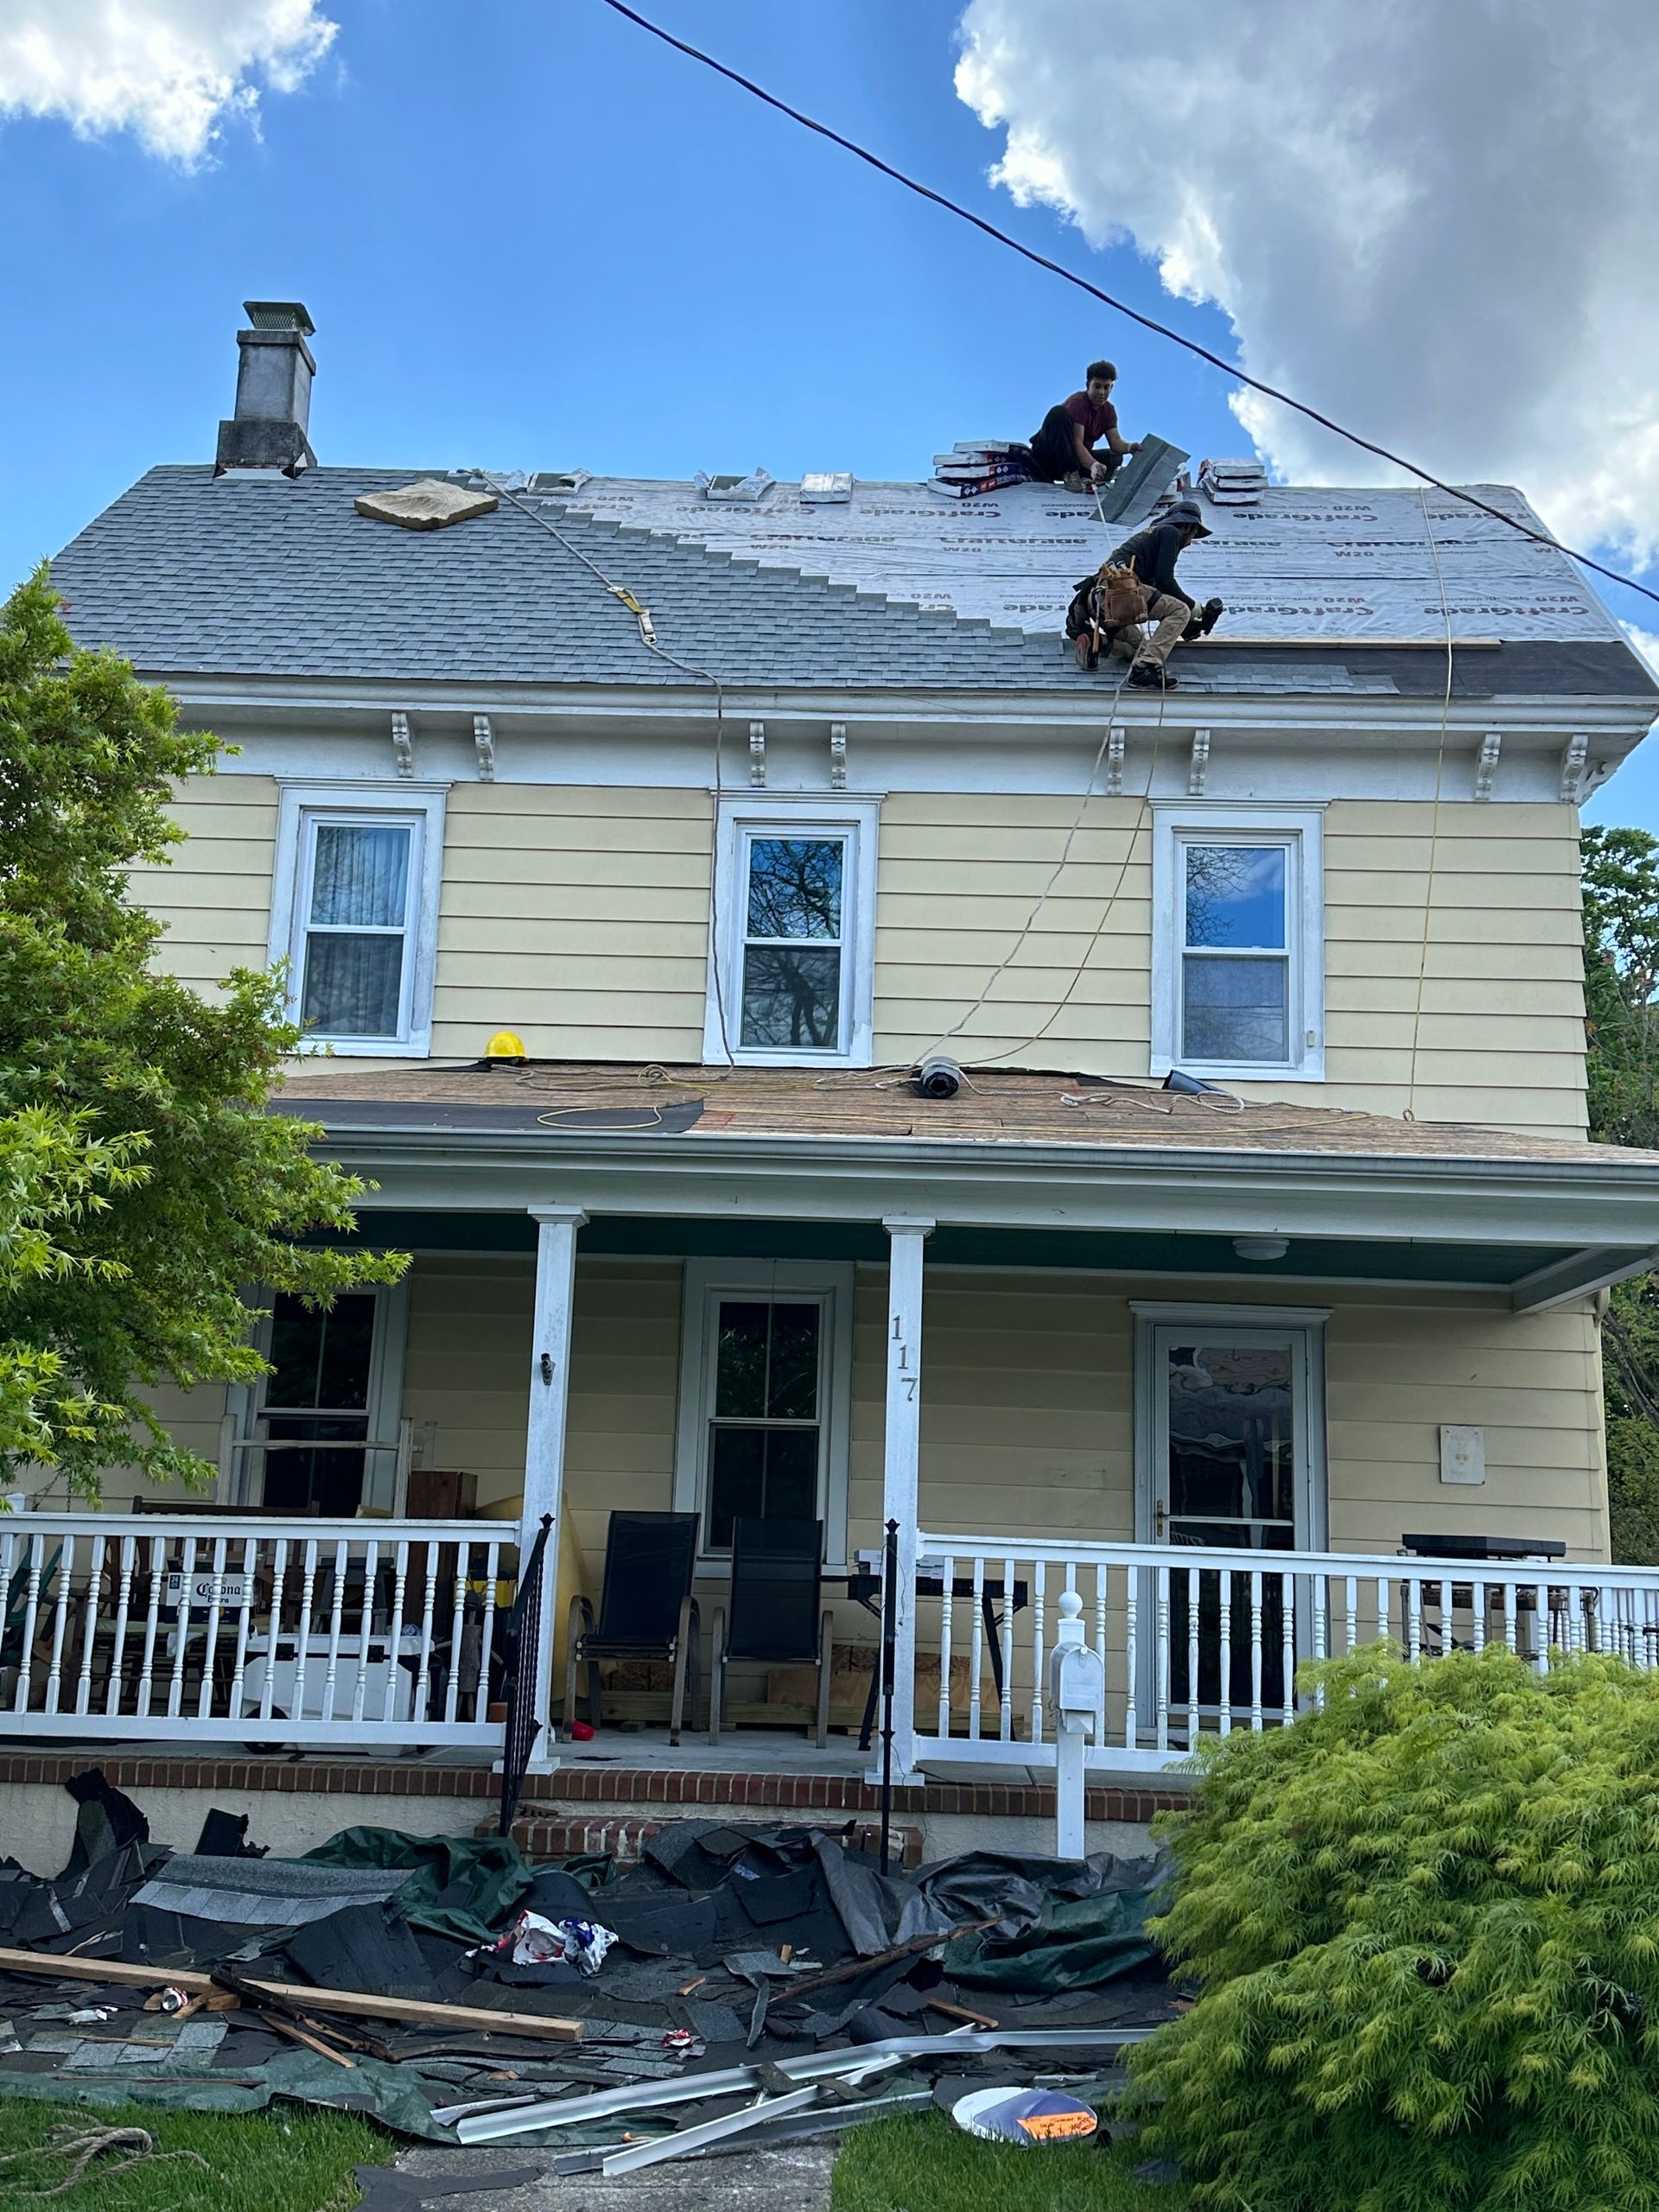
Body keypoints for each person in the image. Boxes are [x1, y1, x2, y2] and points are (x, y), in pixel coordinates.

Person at [1106, 500, 1218, 690]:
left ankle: (1103, 646)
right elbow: (1165, 580)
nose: (1190, 542)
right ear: (1188, 526)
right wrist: (1193, 608)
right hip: (1123, 594)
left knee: (1142, 647)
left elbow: (1158, 597)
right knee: (1180, 611)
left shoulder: (1147, 544)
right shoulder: (1171, 533)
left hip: (1103, 602)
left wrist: (1186, 627)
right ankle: (1146, 669)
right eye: (1193, 535)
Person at [1027, 361, 1141, 489]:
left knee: (1115, 456)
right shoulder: (1079, 403)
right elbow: (1077, 443)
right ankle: (1069, 473)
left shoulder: (1109, 411)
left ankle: (1095, 480)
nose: (1102, 392)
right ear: (1088, 385)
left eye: (1106, 387)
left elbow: (1116, 442)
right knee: (1057, 413)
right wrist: (1092, 464)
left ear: (1111, 388)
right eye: (1097, 386)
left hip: (1077, 461)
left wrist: (1130, 447)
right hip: (1050, 458)